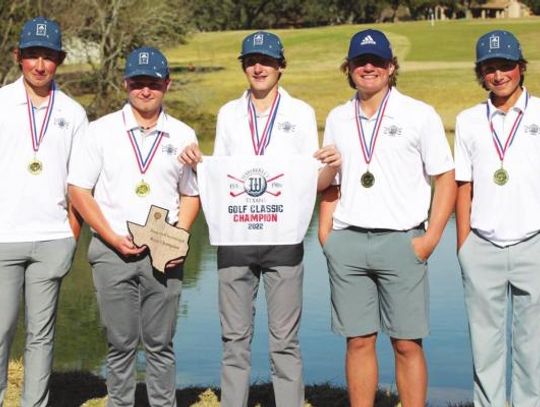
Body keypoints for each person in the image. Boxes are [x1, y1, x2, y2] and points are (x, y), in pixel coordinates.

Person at [179, 31, 339, 407]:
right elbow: (221, 178)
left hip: (284, 240)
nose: (258, 67)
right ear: (244, 66)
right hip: (235, 239)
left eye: (266, 60)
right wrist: (197, 165)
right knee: (234, 338)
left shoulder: (300, 113)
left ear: (281, 66)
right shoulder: (228, 113)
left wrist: (332, 170)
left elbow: (308, 182)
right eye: (251, 60)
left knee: (285, 339)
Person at [319, 29, 456, 406]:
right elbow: (331, 179)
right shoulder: (337, 117)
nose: (368, 68)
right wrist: (326, 233)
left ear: (391, 67)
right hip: (348, 242)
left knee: (407, 343)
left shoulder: (418, 114)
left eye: (377, 61)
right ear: (348, 68)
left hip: (402, 241)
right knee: (359, 340)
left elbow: (444, 178)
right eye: (360, 62)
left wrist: (430, 239)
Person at [68, 47, 200, 406]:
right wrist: (111, 237)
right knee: (120, 343)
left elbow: (191, 195)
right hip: (112, 252)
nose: (145, 91)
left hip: (164, 254)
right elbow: (79, 191)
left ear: (166, 84)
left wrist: (177, 239)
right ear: (126, 83)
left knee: (160, 344)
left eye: (153, 84)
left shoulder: (184, 135)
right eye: (138, 83)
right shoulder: (100, 131)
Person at [0, 16, 88, 406]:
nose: (40, 65)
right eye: (32, 55)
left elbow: (81, 184)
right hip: (4, 237)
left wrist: (70, 234)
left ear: (60, 60)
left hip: (53, 239)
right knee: (0, 331)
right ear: (18, 56)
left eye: (48, 57)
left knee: (41, 334)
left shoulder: (74, 112)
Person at [455, 30, 540, 406]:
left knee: (532, 348)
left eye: (505, 66)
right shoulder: (469, 120)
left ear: (520, 68)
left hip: (533, 241)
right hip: (483, 245)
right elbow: (463, 185)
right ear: (480, 74)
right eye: (489, 68)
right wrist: (463, 246)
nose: (498, 75)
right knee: (485, 345)